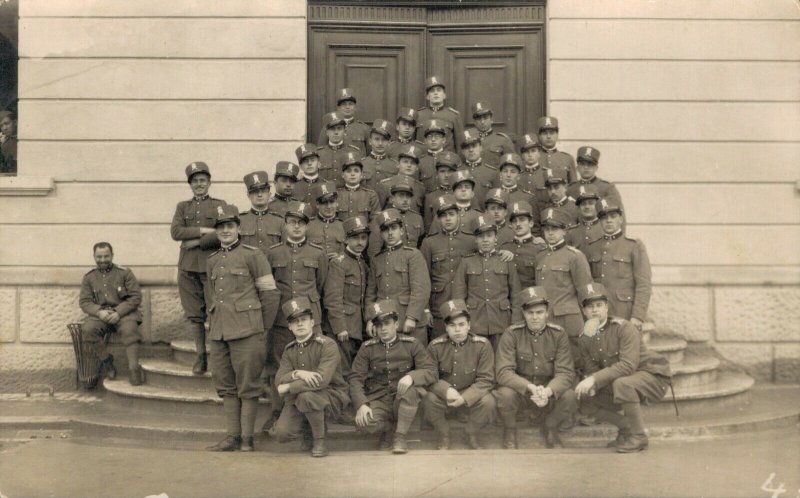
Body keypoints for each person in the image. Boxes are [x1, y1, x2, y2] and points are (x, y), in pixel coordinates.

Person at [205, 204, 280, 452]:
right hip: (219, 331)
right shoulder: (213, 260)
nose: (225, 231)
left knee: (248, 385)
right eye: (221, 227)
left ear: (239, 227)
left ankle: (247, 439)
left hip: (248, 331)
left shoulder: (253, 255)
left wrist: (260, 328)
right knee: (226, 384)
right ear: (216, 231)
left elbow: (270, 295)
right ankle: (232, 437)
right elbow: (212, 296)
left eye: (229, 226)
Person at [575, 283, 671, 453]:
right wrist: (591, 384)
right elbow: (592, 369)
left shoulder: (624, 328)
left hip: (651, 375)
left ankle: (639, 436)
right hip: (623, 379)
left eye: (599, 305)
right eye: (590, 307)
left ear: (606, 307)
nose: (595, 310)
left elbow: (628, 366)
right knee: (583, 397)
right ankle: (627, 428)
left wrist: (594, 380)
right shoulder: (585, 337)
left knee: (622, 383)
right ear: (584, 311)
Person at [262, 201, 328, 433]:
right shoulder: (273, 253)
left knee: (314, 363)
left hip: (310, 319)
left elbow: (321, 284)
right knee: (279, 366)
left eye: (301, 223)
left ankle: (312, 416)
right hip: (282, 320)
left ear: (307, 226)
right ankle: (279, 412)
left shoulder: (317, 253)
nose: (297, 227)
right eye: (292, 222)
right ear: (285, 225)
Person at [349, 299, 437, 454]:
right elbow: (355, 378)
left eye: (387, 323)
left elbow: (431, 371)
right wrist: (361, 404)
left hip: (401, 397)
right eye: (378, 325)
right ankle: (388, 429)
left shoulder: (412, 344)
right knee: (364, 423)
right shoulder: (367, 348)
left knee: (411, 390)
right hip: (379, 398)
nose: (383, 329)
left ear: (396, 324)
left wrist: (411, 376)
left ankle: (400, 436)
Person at [494, 286, 577, 449]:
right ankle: (510, 430)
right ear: (523, 314)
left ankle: (550, 426)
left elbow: (565, 373)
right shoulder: (512, 333)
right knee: (504, 394)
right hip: (522, 391)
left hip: (548, 391)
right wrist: (529, 387)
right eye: (530, 313)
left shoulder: (558, 334)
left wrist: (548, 391)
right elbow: (503, 372)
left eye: (539, 312)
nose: (534, 317)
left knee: (570, 396)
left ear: (547, 313)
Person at [273, 297, 350, 458]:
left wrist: (289, 387)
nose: (300, 324)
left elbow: (321, 380)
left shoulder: (327, 344)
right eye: (295, 322)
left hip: (330, 395)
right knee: (282, 433)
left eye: (304, 320)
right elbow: (279, 378)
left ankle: (319, 441)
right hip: (300, 398)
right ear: (290, 327)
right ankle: (309, 427)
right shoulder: (290, 350)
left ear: (312, 322)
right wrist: (297, 373)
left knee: (307, 396)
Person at [170, 161, 227, 374]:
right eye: (195, 181)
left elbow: (225, 231)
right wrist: (204, 229)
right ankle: (200, 356)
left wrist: (197, 240)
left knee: (215, 311)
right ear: (190, 184)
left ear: (209, 182)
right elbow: (175, 232)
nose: (199, 184)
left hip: (211, 266)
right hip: (187, 268)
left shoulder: (219, 206)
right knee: (194, 315)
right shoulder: (182, 207)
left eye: (202, 180)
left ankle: (217, 357)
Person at [424, 299, 495, 450]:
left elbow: (486, 379)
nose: (457, 330)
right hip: (445, 396)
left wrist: (465, 398)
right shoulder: (435, 346)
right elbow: (430, 376)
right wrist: (446, 390)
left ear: (469, 325)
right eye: (452, 325)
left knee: (488, 401)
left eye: (461, 324)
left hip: (470, 395)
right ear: (446, 328)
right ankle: (443, 434)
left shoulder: (482, 345)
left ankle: (471, 433)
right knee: (429, 399)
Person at [451, 215, 521, 350]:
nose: (485, 240)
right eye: (481, 236)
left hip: (502, 321)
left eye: (489, 235)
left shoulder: (506, 261)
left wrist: (515, 322)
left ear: (496, 238)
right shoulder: (467, 262)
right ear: (476, 239)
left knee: (502, 360)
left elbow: (516, 295)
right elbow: (458, 295)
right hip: (476, 321)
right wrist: (462, 323)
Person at [78, 242, 143, 386]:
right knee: (88, 330)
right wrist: (99, 312)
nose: (102, 260)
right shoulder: (89, 277)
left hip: (124, 314)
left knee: (130, 331)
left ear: (112, 256)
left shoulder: (124, 273)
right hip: (102, 316)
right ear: (94, 257)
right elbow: (84, 302)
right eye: (99, 257)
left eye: (106, 256)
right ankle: (107, 361)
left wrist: (119, 312)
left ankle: (134, 369)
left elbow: (136, 297)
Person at [535, 207, 593, 369]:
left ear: (564, 231)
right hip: (546, 320)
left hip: (569, 322)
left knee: (575, 365)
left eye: (554, 229)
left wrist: (591, 327)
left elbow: (586, 293)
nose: (550, 233)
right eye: (546, 230)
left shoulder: (575, 256)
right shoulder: (540, 257)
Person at [365, 208, 432, 345]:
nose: (390, 233)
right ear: (381, 234)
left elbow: (421, 289)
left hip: (408, 321)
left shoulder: (413, 255)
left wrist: (412, 316)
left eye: (394, 228)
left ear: (401, 231)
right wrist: (371, 319)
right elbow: (371, 294)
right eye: (385, 230)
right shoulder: (377, 259)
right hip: (384, 323)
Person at [584, 200, 652, 327]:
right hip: (598, 315)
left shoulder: (633, 246)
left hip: (624, 313)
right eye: (604, 217)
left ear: (621, 219)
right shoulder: (592, 247)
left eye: (613, 216)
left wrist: (637, 316)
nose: (609, 220)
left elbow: (643, 284)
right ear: (599, 221)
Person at [420, 194, 476, 338]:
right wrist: (426, 309)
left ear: (459, 215)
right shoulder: (429, 243)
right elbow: (423, 278)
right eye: (443, 215)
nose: (448, 218)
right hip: (439, 305)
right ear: (438, 219)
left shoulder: (471, 240)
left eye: (451, 214)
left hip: (466, 303)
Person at [323, 216, 370, 364]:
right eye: (355, 238)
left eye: (364, 238)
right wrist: (340, 327)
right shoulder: (339, 263)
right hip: (344, 328)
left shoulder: (363, 263)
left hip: (359, 326)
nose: (360, 242)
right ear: (346, 240)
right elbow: (332, 299)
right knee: (344, 370)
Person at [368, 176, 424, 258]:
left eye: (408, 196)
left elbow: (420, 245)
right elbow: (374, 250)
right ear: (392, 199)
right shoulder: (382, 218)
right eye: (401, 195)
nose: (405, 199)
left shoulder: (417, 218)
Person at [501, 200, 546, 288]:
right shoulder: (504, 248)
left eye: (522, 220)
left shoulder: (541, 249)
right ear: (510, 225)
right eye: (514, 221)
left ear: (531, 223)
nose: (518, 224)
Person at [239, 170, 284, 255]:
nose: (259, 195)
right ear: (248, 195)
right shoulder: (240, 220)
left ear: (269, 194)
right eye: (255, 191)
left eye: (263, 191)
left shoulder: (280, 221)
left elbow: (285, 251)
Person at [567, 146, 624, 210]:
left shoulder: (607, 188)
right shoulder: (570, 189)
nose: (586, 167)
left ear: (596, 168)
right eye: (582, 164)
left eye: (590, 164)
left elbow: (619, 212)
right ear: (577, 168)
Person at [316, 88, 369, 156]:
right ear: (338, 108)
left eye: (350, 104)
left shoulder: (364, 129)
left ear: (355, 107)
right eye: (344, 104)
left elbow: (368, 155)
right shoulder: (327, 128)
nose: (347, 107)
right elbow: (321, 152)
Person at [416, 76, 463, 152]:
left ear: (444, 95)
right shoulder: (418, 115)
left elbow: (460, 144)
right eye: (432, 91)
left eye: (439, 90)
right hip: (423, 160)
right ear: (427, 96)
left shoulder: (454, 116)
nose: (435, 93)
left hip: (447, 161)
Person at [376, 143, 426, 214]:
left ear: (417, 167)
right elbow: (378, 213)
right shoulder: (385, 185)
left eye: (412, 163)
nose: (409, 165)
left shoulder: (420, 187)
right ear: (398, 164)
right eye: (405, 162)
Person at [316, 111, 362, 183]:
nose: (336, 132)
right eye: (332, 129)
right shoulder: (318, 154)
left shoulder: (354, 151)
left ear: (345, 131)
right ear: (326, 132)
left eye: (339, 128)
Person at [336, 151, 380, 222]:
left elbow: (375, 222)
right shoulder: (336, 195)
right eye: (348, 171)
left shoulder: (371, 195)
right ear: (342, 175)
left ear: (361, 174)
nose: (352, 174)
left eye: (356, 171)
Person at [458, 128, 498, 205]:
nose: (471, 150)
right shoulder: (457, 171)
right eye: (467, 147)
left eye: (474, 146)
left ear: (481, 148)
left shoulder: (492, 172)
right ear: (462, 151)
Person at [422, 150, 459, 231]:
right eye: (442, 171)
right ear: (437, 174)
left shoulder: (461, 195)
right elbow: (428, 225)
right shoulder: (430, 197)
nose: (446, 175)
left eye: (450, 171)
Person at [306, 181, 345, 258]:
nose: (329, 206)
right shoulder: (308, 225)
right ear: (317, 205)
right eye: (324, 203)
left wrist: (340, 256)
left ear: (337, 203)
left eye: (332, 202)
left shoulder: (343, 226)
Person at [537, 116, 577, 183]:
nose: (548, 136)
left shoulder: (567, 159)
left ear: (557, 135)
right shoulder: (534, 158)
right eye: (544, 133)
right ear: (539, 136)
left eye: (552, 133)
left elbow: (573, 186)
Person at [361, 119, 398, 189]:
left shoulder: (395, 166)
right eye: (377, 139)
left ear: (389, 142)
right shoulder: (361, 164)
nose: (380, 143)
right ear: (370, 141)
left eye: (384, 140)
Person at [566, 185, 603, 251]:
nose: (587, 207)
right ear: (579, 208)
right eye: (583, 204)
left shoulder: (605, 229)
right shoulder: (571, 232)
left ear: (597, 205)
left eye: (591, 203)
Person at [518, 132, 550, 208]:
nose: (530, 155)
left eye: (533, 151)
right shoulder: (517, 175)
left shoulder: (547, 174)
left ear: (539, 153)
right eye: (526, 152)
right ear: (522, 155)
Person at [418, 119, 448, 193]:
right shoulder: (420, 162)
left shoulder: (452, 158)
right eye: (429, 137)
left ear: (444, 140)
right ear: (425, 141)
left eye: (437, 137)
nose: (433, 139)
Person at [293, 143, 325, 208]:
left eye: (312, 160)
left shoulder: (325, 185)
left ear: (319, 163)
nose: (309, 163)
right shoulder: (294, 186)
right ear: (301, 166)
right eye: (305, 161)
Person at [0, 110, 17, 174]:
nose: (4, 128)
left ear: (15, 122)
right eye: (1, 126)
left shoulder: (25, 140)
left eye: (6, 123)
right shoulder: (4, 144)